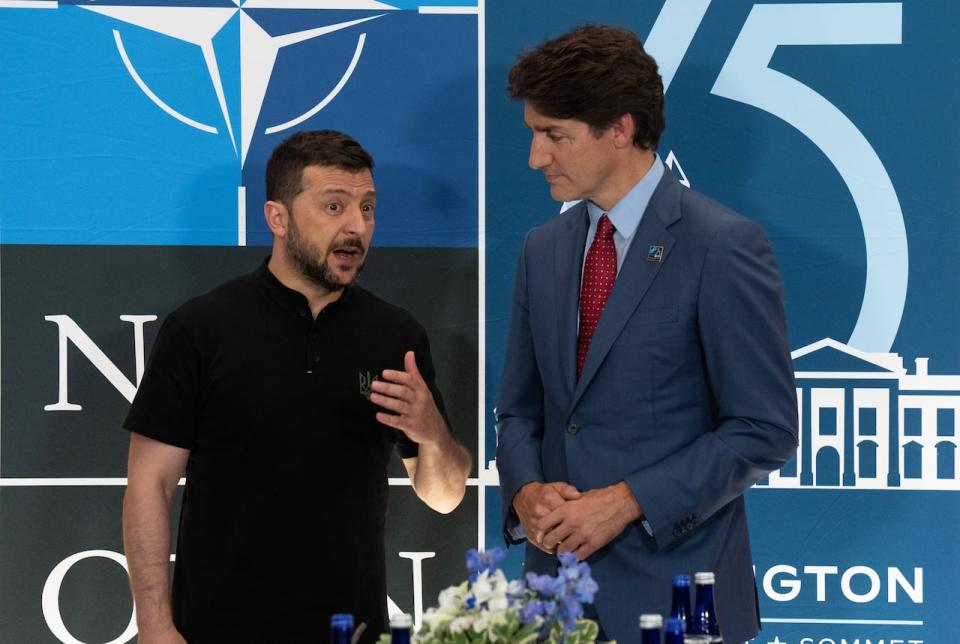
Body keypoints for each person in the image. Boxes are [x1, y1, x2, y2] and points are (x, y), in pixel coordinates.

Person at [495, 25, 798, 643]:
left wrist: (628, 500)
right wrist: (525, 492)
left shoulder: (722, 245)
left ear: (621, 128)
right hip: (552, 601)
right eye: (533, 134)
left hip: (679, 596)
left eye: (555, 135)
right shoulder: (541, 249)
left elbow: (764, 429)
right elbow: (519, 411)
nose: (535, 157)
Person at [122, 130, 472, 643]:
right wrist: (154, 624)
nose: (357, 227)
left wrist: (434, 434)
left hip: (351, 632)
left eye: (368, 208)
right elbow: (148, 486)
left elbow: (443, 497)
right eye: (335, 206)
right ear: (278, 218)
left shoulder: (395, 334)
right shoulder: (201, 329)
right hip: (218, 630)